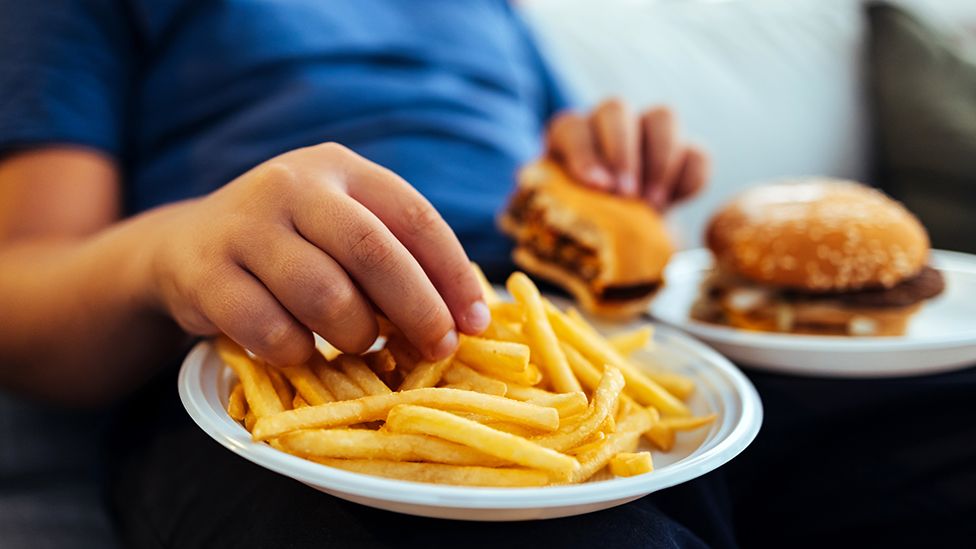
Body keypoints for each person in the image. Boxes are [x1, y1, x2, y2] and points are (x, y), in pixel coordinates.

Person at [0, 1, 724, 548]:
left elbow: (580, 191)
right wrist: (168, 250)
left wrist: (619, 185)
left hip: (562, 341)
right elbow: (20, 284)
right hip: (267, 356)